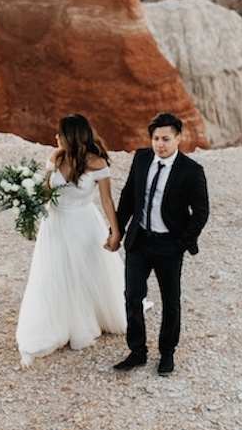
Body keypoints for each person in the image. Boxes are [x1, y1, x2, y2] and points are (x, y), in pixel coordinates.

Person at [14, 114, 127, 364]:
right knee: (54, 272)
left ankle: (85, 320)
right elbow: (45, 195)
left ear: (72, 136)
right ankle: (56, 320)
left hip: (83, 223)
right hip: (54, 224)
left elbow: (107, 200)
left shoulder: (98, 163)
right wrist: (26, 204)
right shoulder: (55, 158)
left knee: (82, 273)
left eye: (60, 134)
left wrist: (115, 231)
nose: (56, 138)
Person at [111, 112, 209, 376]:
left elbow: (201, 212)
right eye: (155, 138)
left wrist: (181, 244)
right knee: (132, 296)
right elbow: (128, 197)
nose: (160, 144)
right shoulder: (142, 159)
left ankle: (167, 354)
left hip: (169, 246)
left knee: (170, 301)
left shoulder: (191, 171)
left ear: (179, 138)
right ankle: (137, 351)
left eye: (166, 139)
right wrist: (116, 231)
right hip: (139, 241)